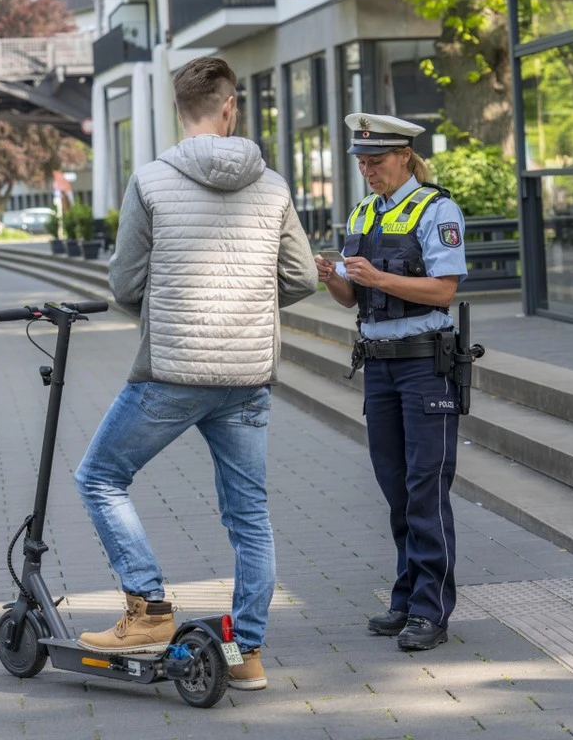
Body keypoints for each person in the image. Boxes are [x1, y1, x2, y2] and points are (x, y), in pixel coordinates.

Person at [74, 56, 318, 691]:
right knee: (249, 517)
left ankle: (149, 608)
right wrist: (249, 304)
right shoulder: (274, 185)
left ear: (178, 110)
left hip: (172, 373)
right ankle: (246, 654)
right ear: (230, 106)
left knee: (99, 477)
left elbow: (125, 283)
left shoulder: (151, 180)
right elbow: (302, 277)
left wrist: (171, 307)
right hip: (246, 377)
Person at [315, 112, 468, 652]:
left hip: (425, 365)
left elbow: (444, 290)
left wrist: (378, 276)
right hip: (378, 365)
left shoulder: (436, 209)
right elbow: (352, 299)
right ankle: (406, 598)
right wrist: (333, 278)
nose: (368, 170)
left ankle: (431, 611)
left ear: (405, 156)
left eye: (376, 161)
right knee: (396, 488)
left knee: (426, 488)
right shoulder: (363, 212)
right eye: (362, 162)